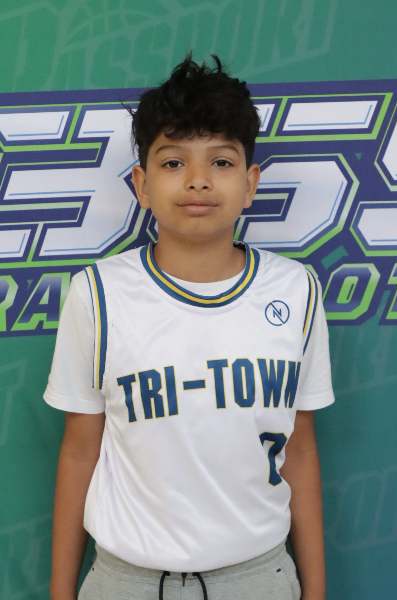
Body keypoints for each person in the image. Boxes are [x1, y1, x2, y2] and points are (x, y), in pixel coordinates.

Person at [44, 54, 335, 600]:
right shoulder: (98, 293)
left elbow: (300, 451)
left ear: (250, 183)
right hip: (126, 579)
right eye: (173, 162)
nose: (198, 180)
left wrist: (315, 591)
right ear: (142, 184)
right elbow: (80, 452)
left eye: (221, 162)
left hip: (258, 577)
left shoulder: (296, 291)